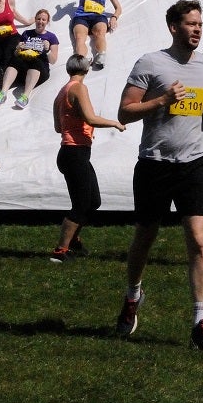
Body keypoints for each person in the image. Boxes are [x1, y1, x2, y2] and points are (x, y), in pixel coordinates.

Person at [114, 0, 203, 349]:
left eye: (200, 25)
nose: (197, 29)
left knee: (197, 238)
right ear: (173, 27)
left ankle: (200, 322)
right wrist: (161, 100)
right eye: (191, 24)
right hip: (155, 163)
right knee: (145, 236)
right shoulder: (150, 63)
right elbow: (126, 111)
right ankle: (133, 297)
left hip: (195, 162)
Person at [50, 54, 125, 262]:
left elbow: (58, 127)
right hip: (74, 152)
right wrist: (115, 123)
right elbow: (91, 117)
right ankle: (60, 251)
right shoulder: (79, 88)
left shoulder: (61, 92)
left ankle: (73, 240)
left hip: (72, 152)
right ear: (86, 69)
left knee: (93, 201)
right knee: (81, 204)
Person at [0, 8, 59, 109]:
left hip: (40, 71)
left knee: (36, 60)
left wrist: (47, 51)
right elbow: (16, 54)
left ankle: (25, 96)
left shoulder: (51, 37)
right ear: (35, 19)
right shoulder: (26, 33)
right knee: (15, 60)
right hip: (24, 68)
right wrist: (18, 48)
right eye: (38, 19)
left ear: (47, 22)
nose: (40, 22)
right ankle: (3, 93)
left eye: (43, 20)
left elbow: (53, 60)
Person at [69, 0, 122, 70]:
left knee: (100, 33)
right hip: (82, 15)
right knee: (79, 37)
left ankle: (101, 56)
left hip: (98, 16)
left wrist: (114, 17)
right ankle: (81, 60)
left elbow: (118, 8)